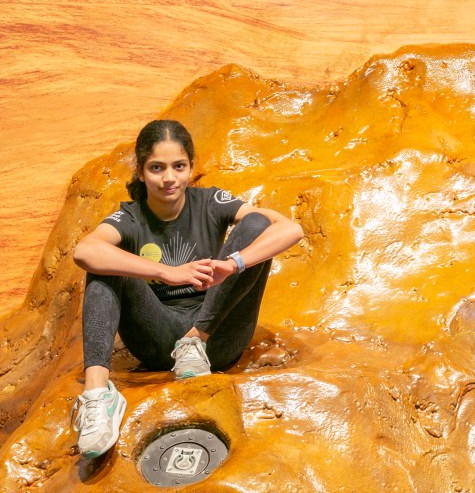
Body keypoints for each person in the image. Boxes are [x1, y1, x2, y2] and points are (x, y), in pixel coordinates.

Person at [70, 119, 304, 457]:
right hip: (157, 339)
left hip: (216, 339)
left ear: (191, 168)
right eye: (156, 168)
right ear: (140, 171)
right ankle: (97, 398)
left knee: (257, 226)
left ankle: (196, 339)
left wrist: (233, 263)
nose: (169, 178)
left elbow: (289, 230)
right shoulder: (130, 217)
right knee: (103, 262)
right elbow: (84, 252)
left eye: (179, 166)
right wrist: (167, 273)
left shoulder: (211, 202)